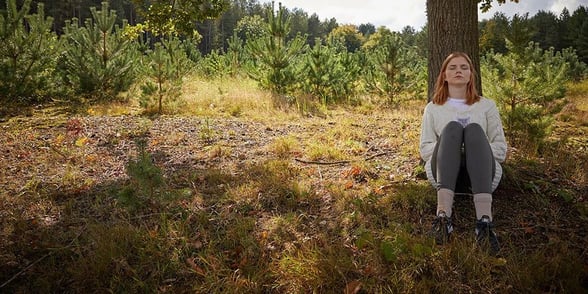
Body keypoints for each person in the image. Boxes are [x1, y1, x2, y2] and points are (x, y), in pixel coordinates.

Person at [419, 52, 507, 253]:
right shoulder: (433, 108)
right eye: (453, 67)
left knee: (474, 131)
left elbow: (500, 149)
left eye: (464, 67)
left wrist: (474, 146)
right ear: (444, 75)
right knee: (451, 129)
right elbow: (425, 148)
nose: (458, 71)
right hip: (444, 175)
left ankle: (484, 223)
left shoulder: (487, 106)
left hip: (482, 176)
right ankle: (443, 219)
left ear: (470, 75)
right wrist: (451, 146)